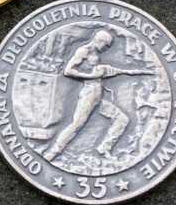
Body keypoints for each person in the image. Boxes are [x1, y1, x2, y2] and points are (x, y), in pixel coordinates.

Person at [43, 30, 154, 163]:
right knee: (77, 124)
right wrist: (90, 76)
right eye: (106, 46)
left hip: (98, 96)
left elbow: (101, 72)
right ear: (99, 41)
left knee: (122, 120)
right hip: (89, 95)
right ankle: (54, 152)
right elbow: (68, 71)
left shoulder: (96, 55)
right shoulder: (83, 51)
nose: (106, 49)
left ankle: (104, 148)